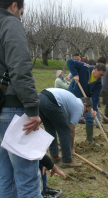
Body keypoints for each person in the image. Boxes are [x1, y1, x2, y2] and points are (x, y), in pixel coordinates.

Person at [0, 1, 42, 197]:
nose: (20, 17)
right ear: (14, 5)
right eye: (21, 13)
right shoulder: (10, 23)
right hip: (12, 110)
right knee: (27, 178)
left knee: (5, 176)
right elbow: (20, 67)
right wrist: (32, 109)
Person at [39, 88, 92, 168]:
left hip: (40, 98)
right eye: (86, 111)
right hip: (51, 100)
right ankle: (66, 160)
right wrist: (71, 148)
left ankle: (54, 156)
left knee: (50, 129)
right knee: (65, 131)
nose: (84, 114)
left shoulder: (73, 101)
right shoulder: (79, 106)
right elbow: (71, 129)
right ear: (84, 104)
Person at [67, 60, 106, 144]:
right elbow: (69, 62)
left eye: (103, 75)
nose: (101, 76)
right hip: (72, 95)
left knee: (89, 117)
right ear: (95, 70)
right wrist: (75, 74)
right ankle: (67, 141)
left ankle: (89, 140)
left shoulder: (99, 83)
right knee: (68, 117)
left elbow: (95, 97)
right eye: (101, 74)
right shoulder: (85, 68)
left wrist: (95, 109)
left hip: (85, 98)